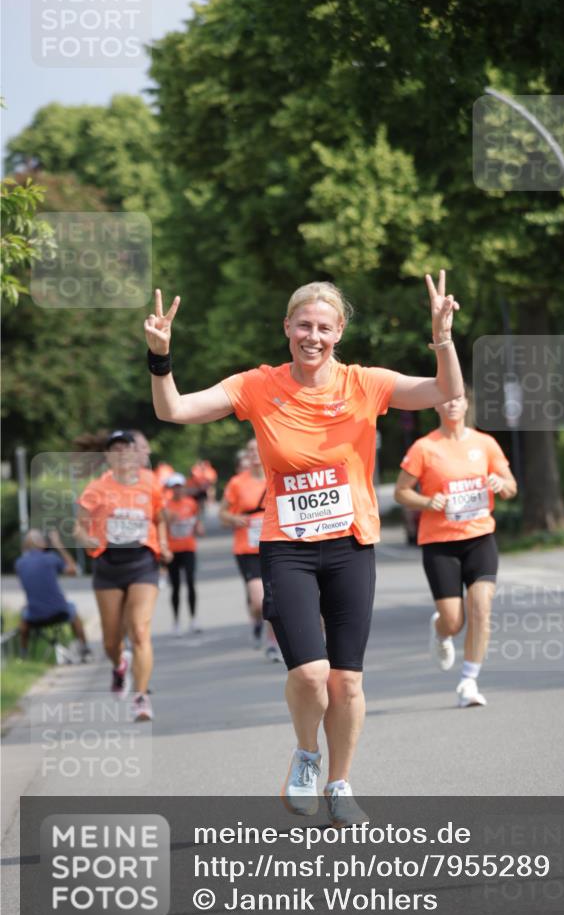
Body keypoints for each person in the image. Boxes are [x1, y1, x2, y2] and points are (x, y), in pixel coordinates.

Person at [144, 273, 462, 824]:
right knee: (312, 674)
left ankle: (340, 783)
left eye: (324, 327)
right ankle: (307, 754)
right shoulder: (257, 386)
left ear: (339, 332)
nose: (313, 336)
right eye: (303, 325)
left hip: (350, 543)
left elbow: (443, 392)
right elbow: (173, 410)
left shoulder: (365, 383)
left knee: (348, 679)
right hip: (286, 546)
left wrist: (442, 338)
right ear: (287, 327)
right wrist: (160, 357)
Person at [394, 390, 517, 708]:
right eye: (445, 398)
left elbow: (511, 486)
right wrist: (426, 501)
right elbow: (401, 492)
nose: (451, 403)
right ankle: (440, 630)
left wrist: (500, 484)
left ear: (466, 404)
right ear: (436, 405)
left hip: (479, 537)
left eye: (457, 398)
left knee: (481, 607)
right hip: (439, 543)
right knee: (453, 621)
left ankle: (469, 681)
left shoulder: (485, 444)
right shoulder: (425, 447)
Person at [74, 430, 172, 722]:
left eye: (126, 448)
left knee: (140, 630)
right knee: (110, 641)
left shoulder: (150, 482)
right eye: (115, 449)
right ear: (107, 456)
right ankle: (119, 664)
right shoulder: (96, 487)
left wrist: (164, 543)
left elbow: (159, 518)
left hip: (142, 561)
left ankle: (140, 698)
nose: (122, 453)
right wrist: (85, 539)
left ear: (135, 452)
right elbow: (78, 526)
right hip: (108, 564)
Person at [219, 438, 281, 662]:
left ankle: (273, 643)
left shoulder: (278, 474)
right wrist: (235, 519)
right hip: (247, 549)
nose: (254, 454)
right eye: (250, 451)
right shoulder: (237, 483)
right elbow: (222, 514)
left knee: (274, 598)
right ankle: (256, 621)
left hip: (275, 544)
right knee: (258, 601)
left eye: (258, 449)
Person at [15, 529, 92, 662]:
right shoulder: (51, 558)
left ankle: (23, 655)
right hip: (59, 611)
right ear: (42, 543)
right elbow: (73, 570)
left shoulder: (19, 564)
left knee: (23, 617)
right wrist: (58, 544)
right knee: (73, 611)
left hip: (34, 615)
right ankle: (85, 649)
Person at [164, 473, 204, 633]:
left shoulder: (191, 503)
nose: (177, 490)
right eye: (174, 487)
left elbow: (196, 521)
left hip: (188, 548)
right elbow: (161, 523)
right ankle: (176, 621)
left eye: (179, 487)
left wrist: (198, 527)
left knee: (190, 582)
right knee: (175, 587)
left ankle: (193, 619)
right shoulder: (165, 506)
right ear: (170, 489)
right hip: (173, 551)